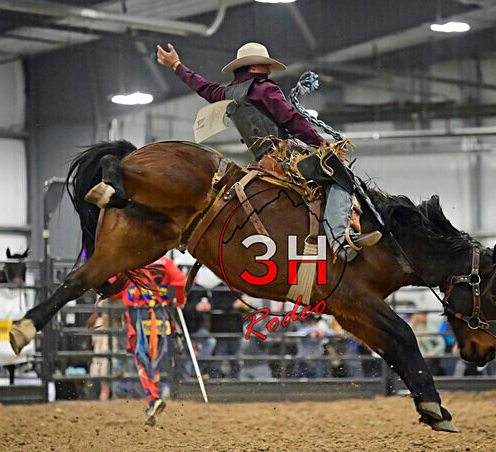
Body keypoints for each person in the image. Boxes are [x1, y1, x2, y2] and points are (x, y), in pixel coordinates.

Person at [156, 41, 381, 262]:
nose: (269, 69)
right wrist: (322, 144)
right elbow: (291, 119)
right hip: (286, 158)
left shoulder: (227, 93)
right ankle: (340, 240)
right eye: (265, 64)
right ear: (253, 66)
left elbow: (202, 87)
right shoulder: (264, 88)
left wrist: (176, 65)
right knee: (338, 174)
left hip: (262, 161)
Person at [122, 256, 187, 426]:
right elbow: (181, 282)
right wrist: (180, 300)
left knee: (141, 359)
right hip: (159, 317)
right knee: (154, 360)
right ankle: (152, 402)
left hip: (138, 316)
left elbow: (112, 286)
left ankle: (152, 398)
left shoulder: (128, 260)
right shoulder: (165, 262)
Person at [408, 310, 445, 375]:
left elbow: (441, 344)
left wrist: (433, 352)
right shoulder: (409, 327)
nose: (424, 316)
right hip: (412, 357)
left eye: (425, 314)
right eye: (422, 314)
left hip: (427, 357)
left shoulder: (430, 328)